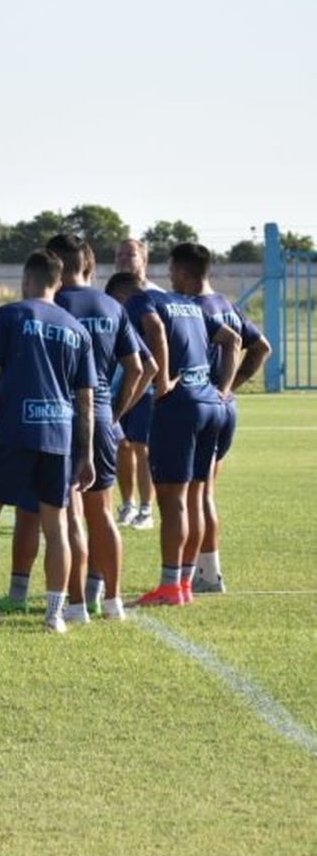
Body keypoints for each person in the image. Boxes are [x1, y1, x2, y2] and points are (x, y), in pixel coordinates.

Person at [1, 235, 149, 623]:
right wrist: (114, 412)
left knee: (64, 516)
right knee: (102, 513)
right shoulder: (111, 306)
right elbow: (139, 368)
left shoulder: (52, 305)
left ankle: (73, 603)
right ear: (89, 265)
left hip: (59, 418)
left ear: (55, 268)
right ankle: (111, 600)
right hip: (100, 417)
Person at [0, 250, 94, 635]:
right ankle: (54, 615)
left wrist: (5, 424)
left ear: (26, 279)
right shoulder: (75, 328)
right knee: (57, 526)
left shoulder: (9, 315)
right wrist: (86, 453)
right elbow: (85, 398)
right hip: (60, 435)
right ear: (60, 282)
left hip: (15, 431)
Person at [124, 242, 243, 607]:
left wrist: (160, 383)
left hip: (179, 408)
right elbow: (233, 339)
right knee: (195, 496)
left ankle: (169, 587)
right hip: (210, 405)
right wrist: (222, 388)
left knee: (173, 500)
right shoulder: (191, 304)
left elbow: (155, 330)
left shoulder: (143, 301)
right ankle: (186, 583)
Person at [187, 248, 270, 594]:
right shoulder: (226, 303)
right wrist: (231, 387)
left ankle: (208, 574)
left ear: (183, 272)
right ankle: (202, 570)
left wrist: (220, 387)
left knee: (198, 492)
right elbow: (261, 347)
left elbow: (252, 346)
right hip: (225, 408)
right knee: (205, 490)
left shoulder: (198, 309)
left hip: (205, 405)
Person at [114, 238, 161, 529]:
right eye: (119, 255)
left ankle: (146, 509)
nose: (123, 259)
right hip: (119, 382)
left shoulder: (156, 295)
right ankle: (127, 504)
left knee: (143, 447)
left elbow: (163, 341)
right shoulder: (112, 294)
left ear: (144, 259)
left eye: (130, 254)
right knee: (121, 444)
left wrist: (162, 379)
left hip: (148, 384)